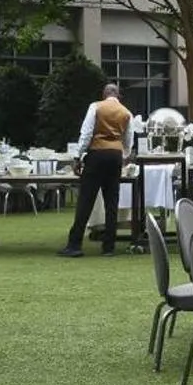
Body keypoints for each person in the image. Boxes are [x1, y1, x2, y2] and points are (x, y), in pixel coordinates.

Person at [59, 83, 133, 258]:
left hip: (97, 154)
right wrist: (124, 156)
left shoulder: (95, 107)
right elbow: (128, 140)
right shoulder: (126, 112)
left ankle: (74, 245)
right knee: (111, 202)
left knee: (86, 200)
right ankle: (109, 247)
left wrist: (78, 156)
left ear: (104, 94)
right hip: (115, 154)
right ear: (118, 96)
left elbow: (86, 133)